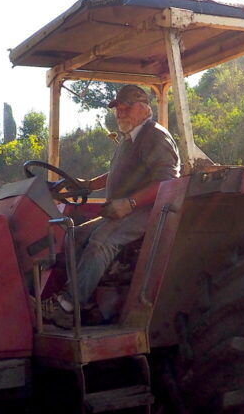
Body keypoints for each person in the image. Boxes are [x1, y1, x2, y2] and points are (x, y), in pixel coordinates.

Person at [44, 84, 180, 328]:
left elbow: (167, 180)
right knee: (75, 236)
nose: (120, 114)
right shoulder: (130, 139)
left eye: (126, 108)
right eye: (117, 109)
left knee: (102, 240)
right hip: (124, 210)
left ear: (144, 109)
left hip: (150, 210)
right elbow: (119, 173)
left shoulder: (154, 136)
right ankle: (85, 303)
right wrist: (88, 184)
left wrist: (130, 203)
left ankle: (66, 306)